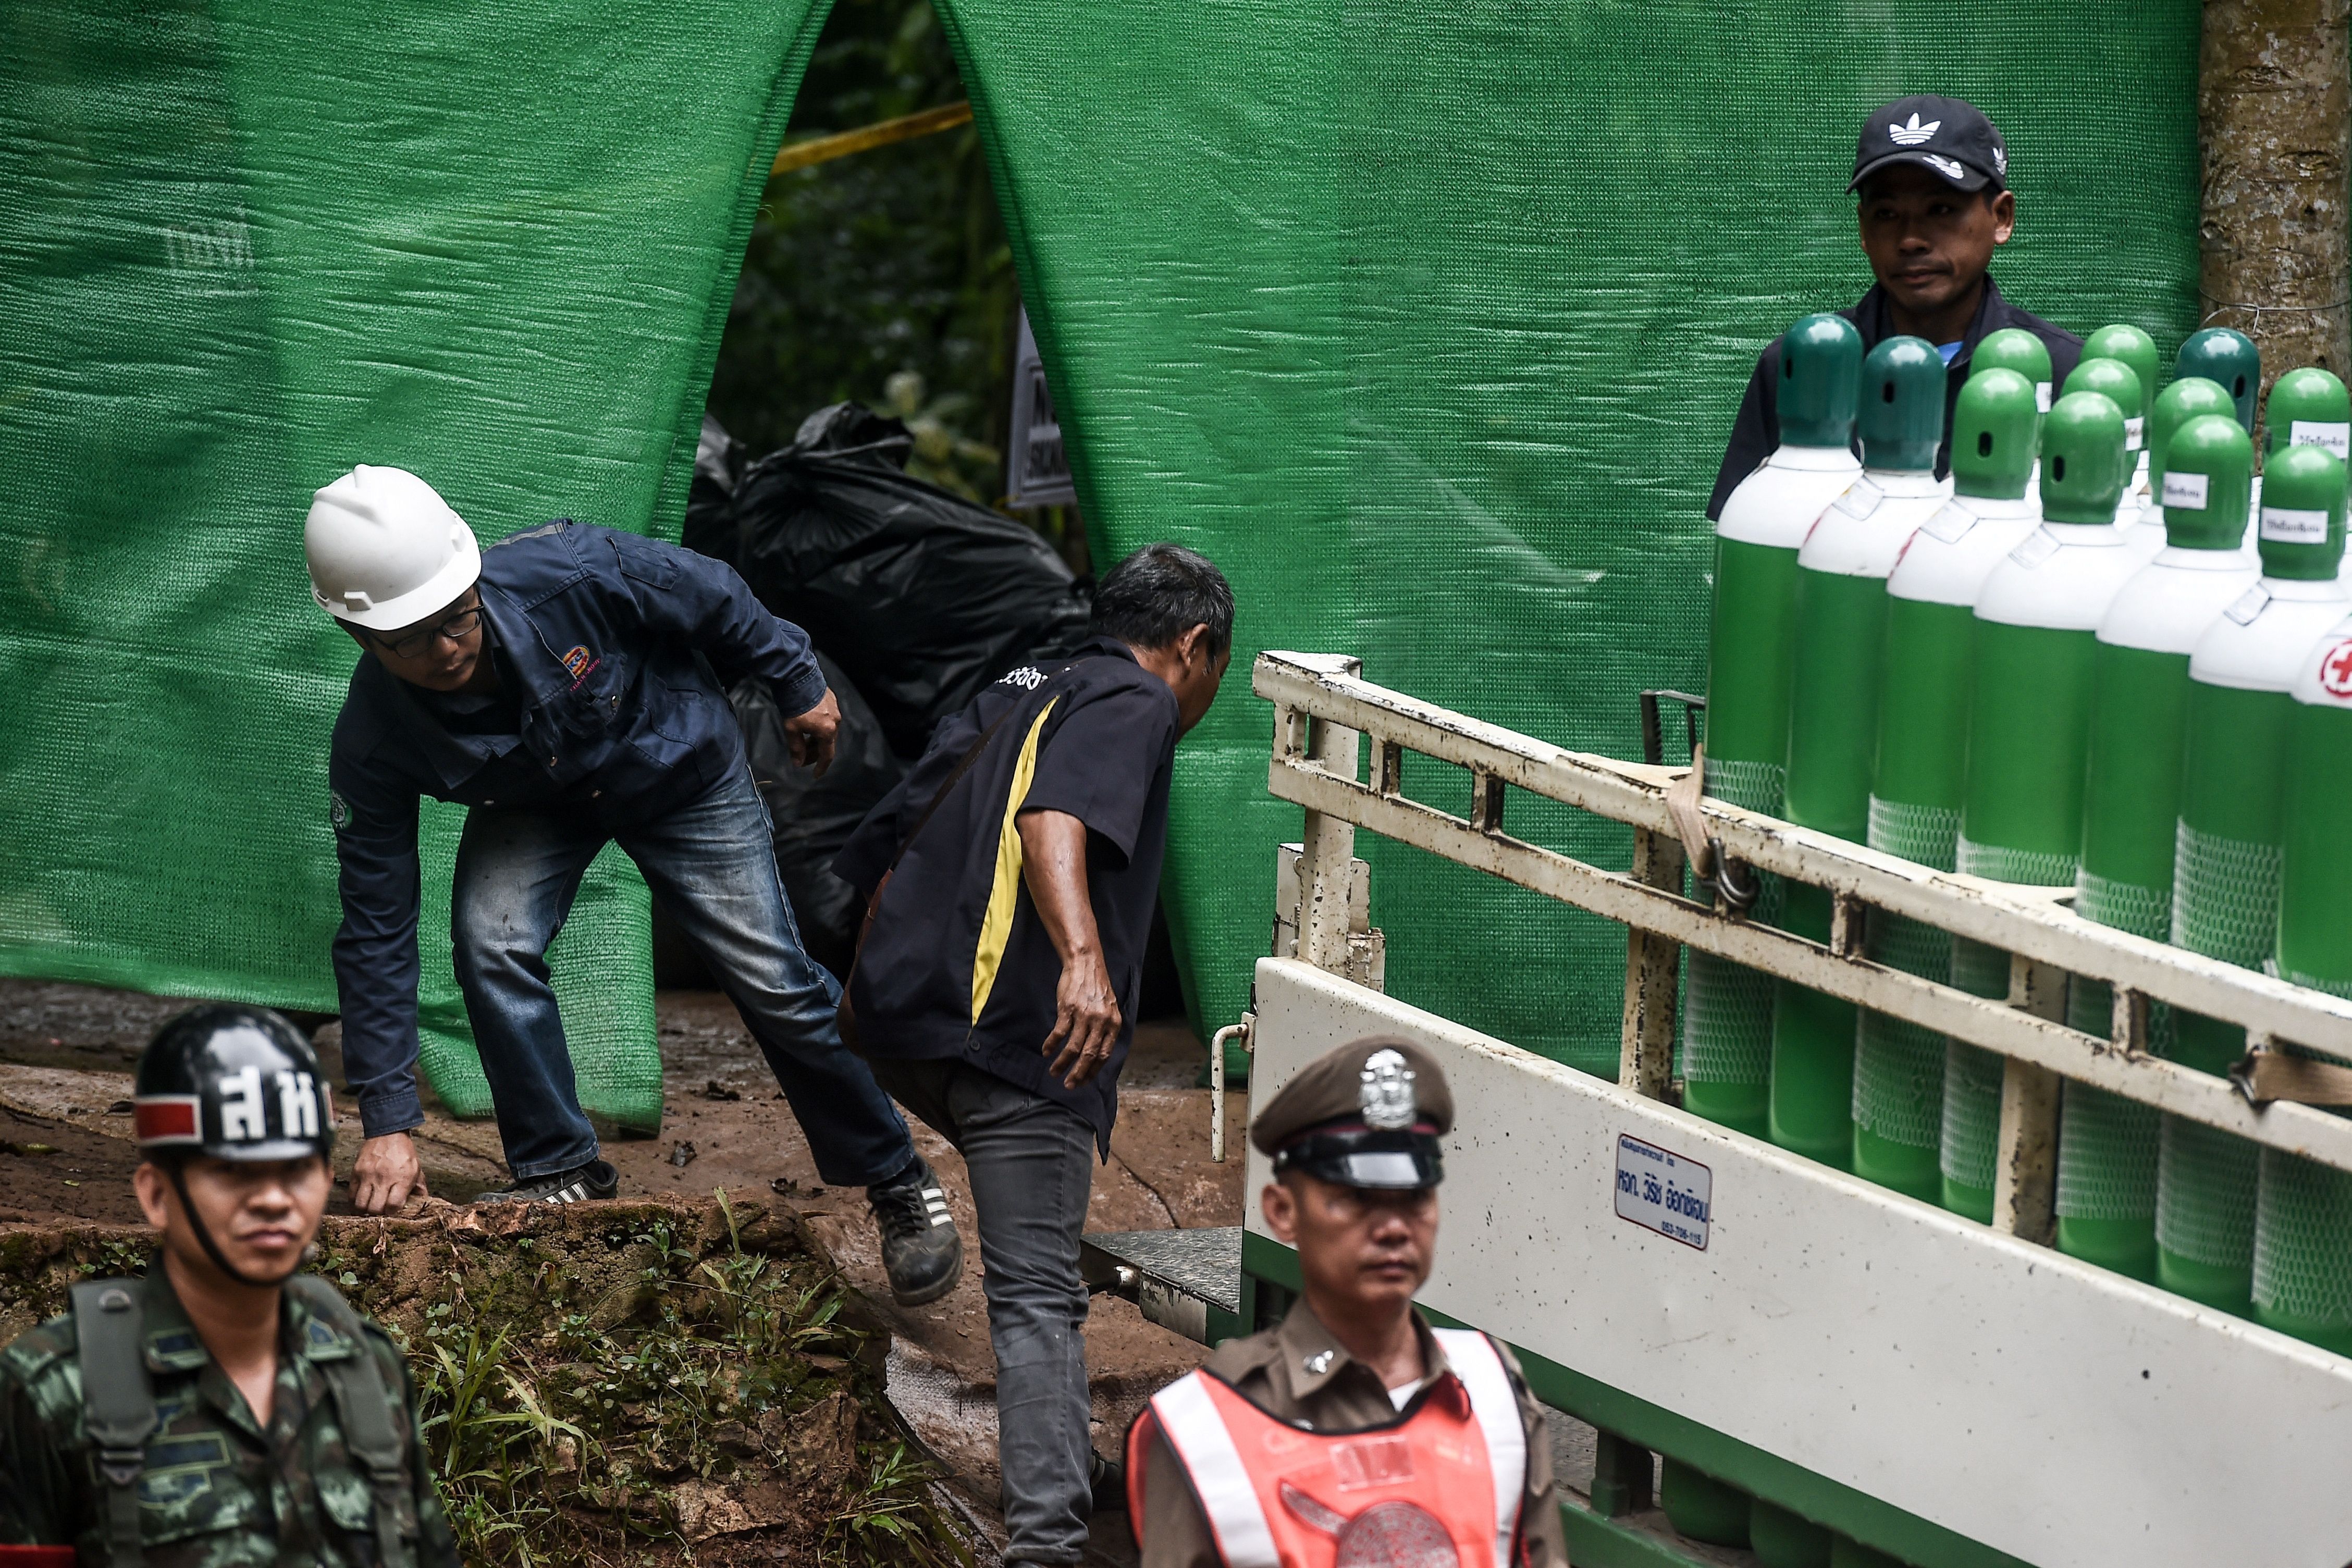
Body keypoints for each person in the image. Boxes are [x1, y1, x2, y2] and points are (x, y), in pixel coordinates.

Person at [304, 464, 960, 1306]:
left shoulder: (567, 571)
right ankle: (559, 1164)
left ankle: (897, 1178)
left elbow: (711, 592)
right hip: (535, 802)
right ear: (364, 638)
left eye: (458, 616)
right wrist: (390, 1121)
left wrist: (796, 680)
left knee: (772, 976)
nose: (449, 647)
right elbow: (376, 924)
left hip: (680, 764)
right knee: (490, 942)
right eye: (415, 639)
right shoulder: (371, 739)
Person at [831, 542, 1234, 1568]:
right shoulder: (1134, 700)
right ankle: (1048, 1543)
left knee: (1034, 1272)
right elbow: (1054, 814)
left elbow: (901, 824)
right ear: (1193, 645)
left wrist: (873, 977)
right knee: (1038, 1299)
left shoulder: (1025, 684)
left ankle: (1074, 1475)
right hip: (1018, 1041)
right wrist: (1086, 962)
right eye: (1214, 669)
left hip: (910, 1027)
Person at [0, 1004, 459, 1568]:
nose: (272, 1199)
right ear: (156, 1196)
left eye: (295, 1170)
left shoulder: (367, 1369)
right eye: (233, 1171)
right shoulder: (57, 1391)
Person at [1127, 1035, 1567, 1568]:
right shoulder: (1204, 1431)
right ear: (1282, 1211)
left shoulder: (1494, 1389)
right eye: (1357, 1199)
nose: (1393, 1229)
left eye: (1415, 1198)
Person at [1707, 93, 2083, 516]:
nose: (1910, 240)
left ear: (2001, 218)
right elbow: (1746, 533)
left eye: (1940, 209)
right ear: (1862, 229)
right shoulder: (1803, 369)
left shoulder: (2071, 376)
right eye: (1886, 214)